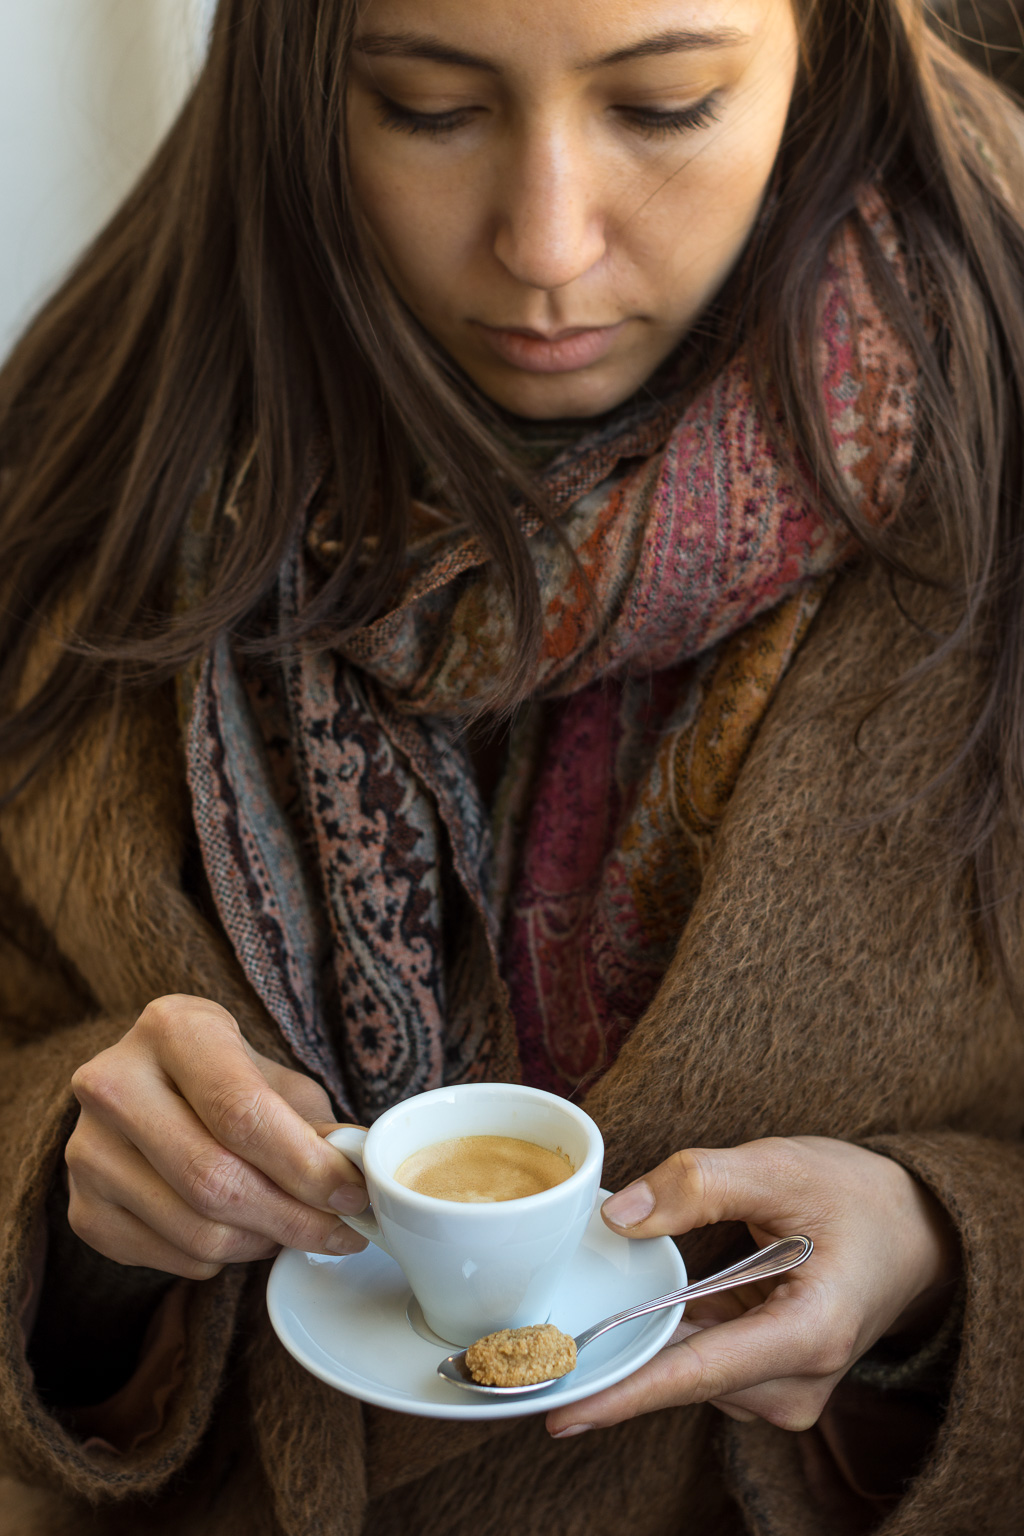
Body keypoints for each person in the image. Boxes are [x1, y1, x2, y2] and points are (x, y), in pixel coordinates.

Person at [1, 1, 1023, 1531]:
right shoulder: (92, 467)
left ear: (831, 48)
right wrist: (66, 1205)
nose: (545, 244)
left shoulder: (990, 441)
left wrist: (946, 1261)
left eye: (667, 104)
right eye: (426, 108)